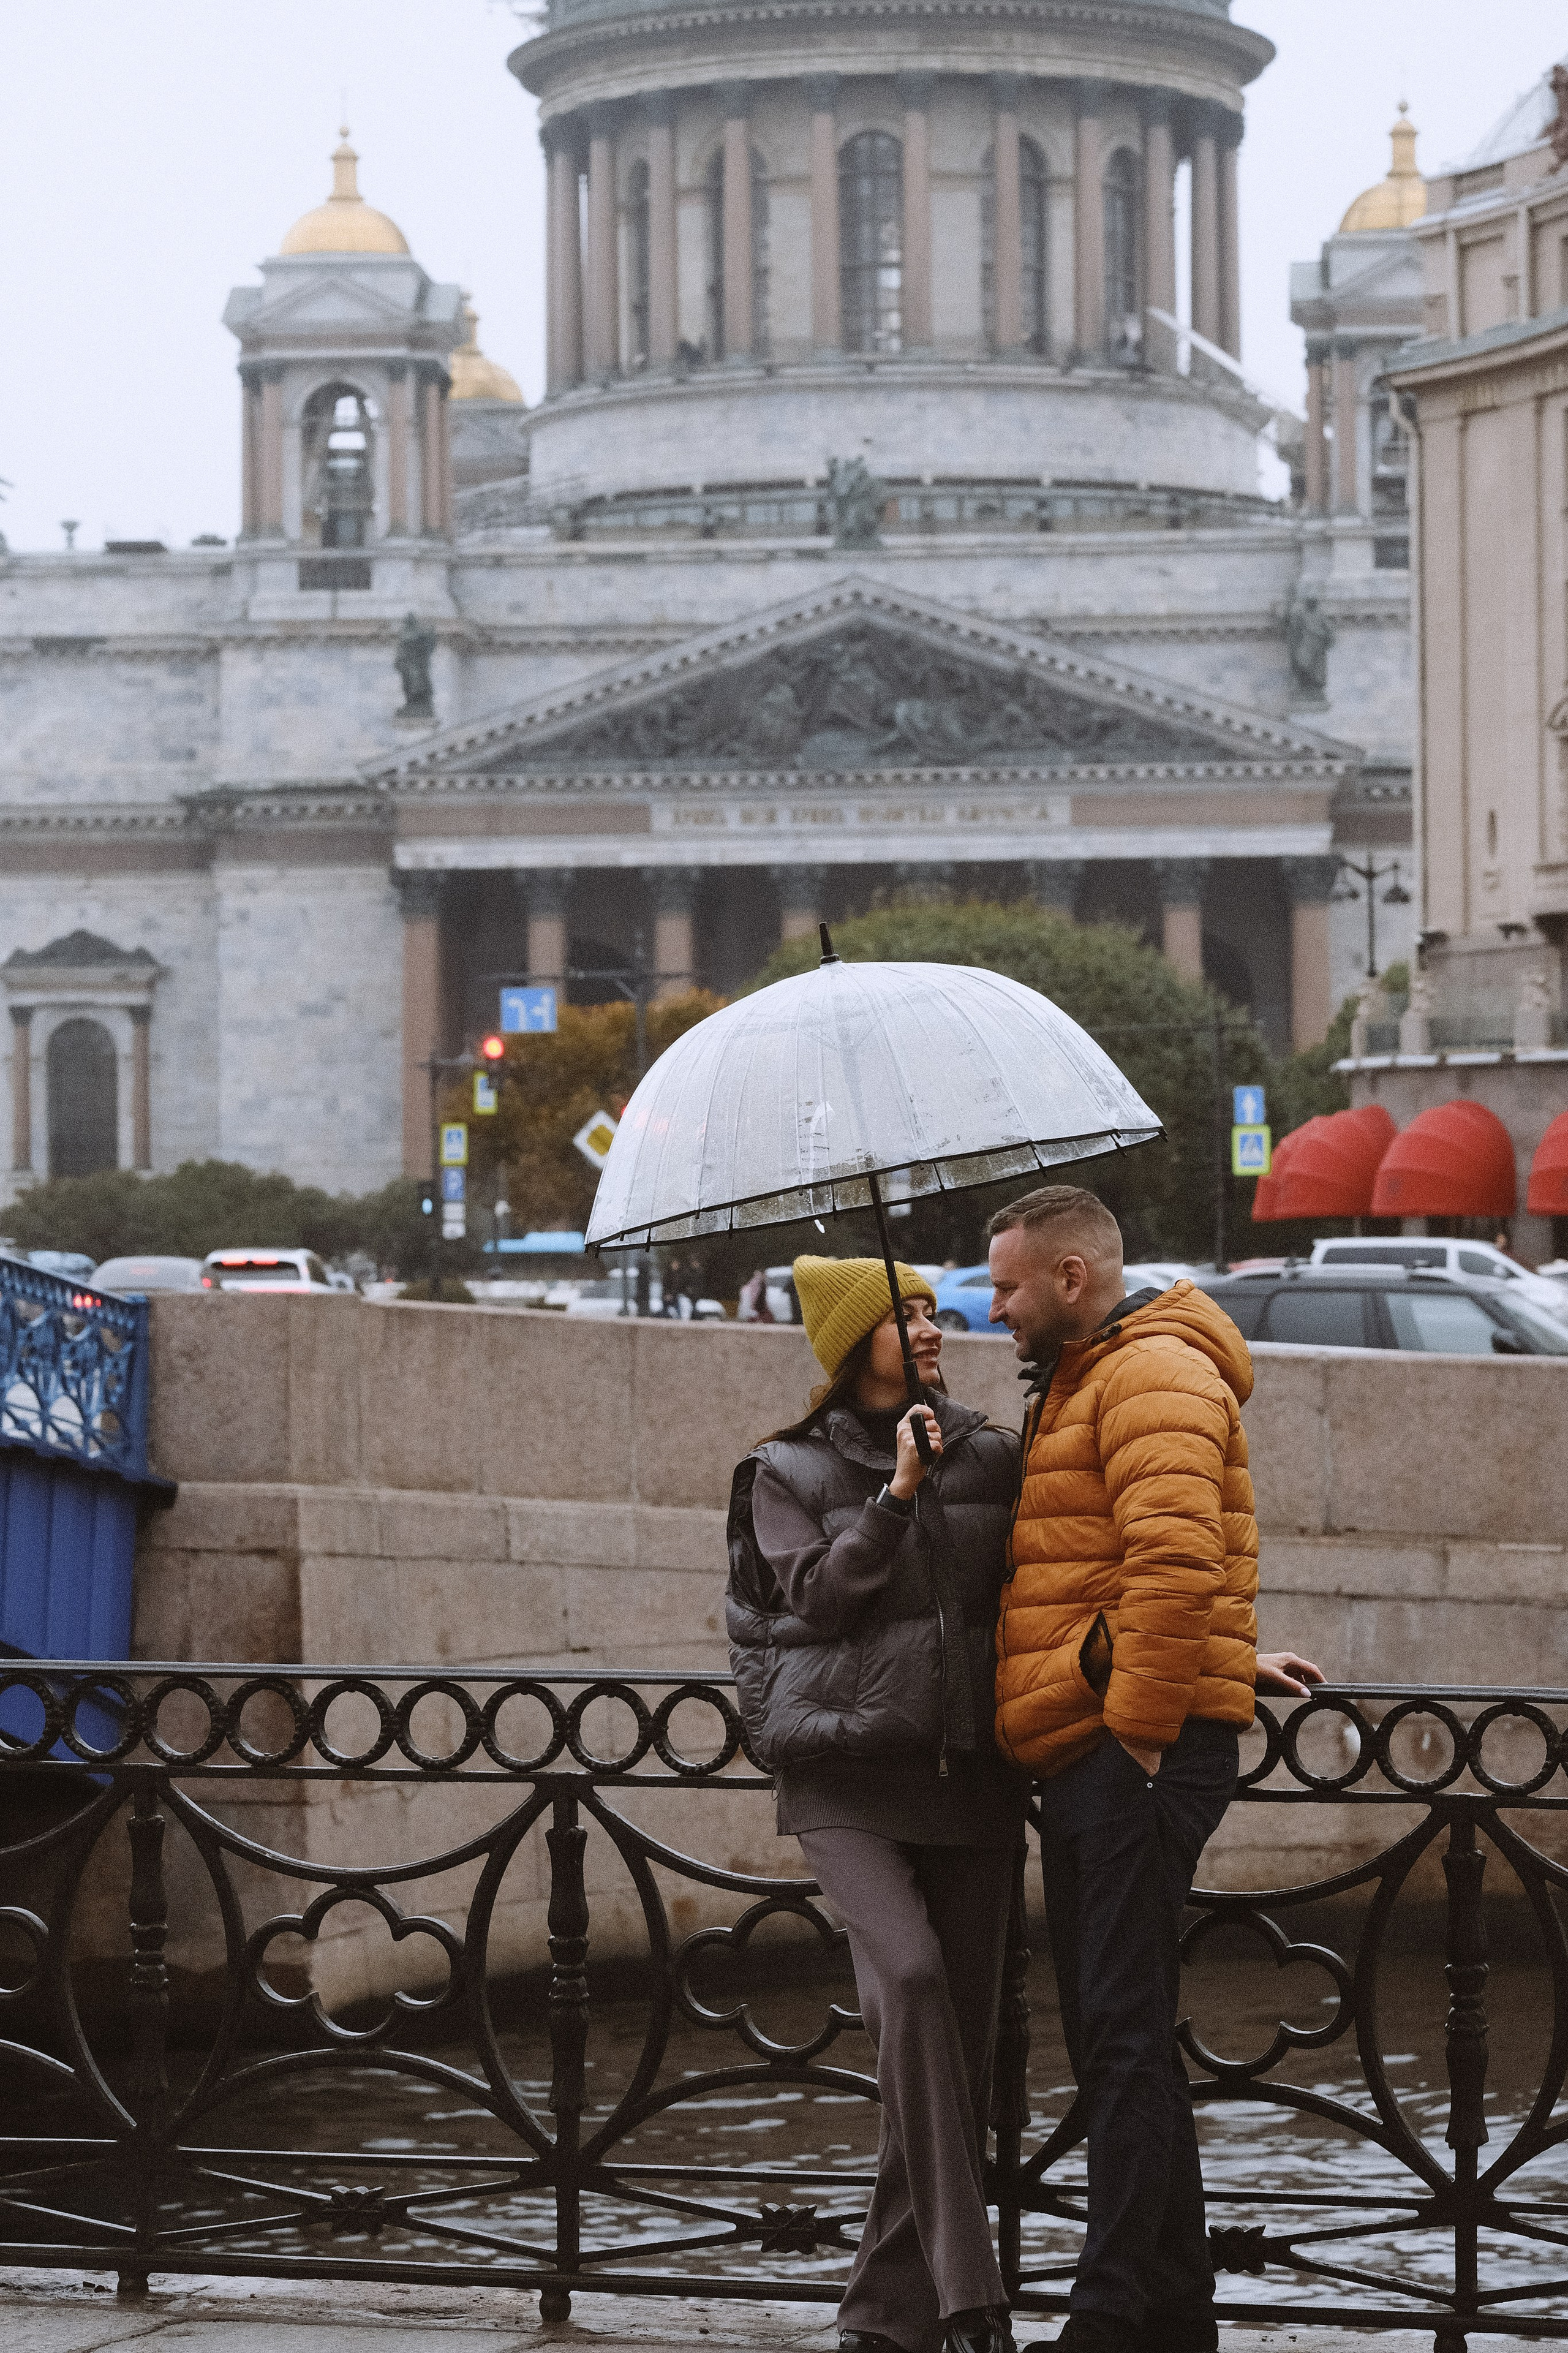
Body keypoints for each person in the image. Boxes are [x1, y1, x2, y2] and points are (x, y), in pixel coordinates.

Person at [984, 1187, 1322, 2353]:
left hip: (1128, 1753)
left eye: (1010, 1286)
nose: (997, 1309)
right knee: (1113, 2029)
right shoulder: (1102, 1373)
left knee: (1120, 2033)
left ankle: (1110, 2319)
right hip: (1108, 1744)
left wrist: (1134, 1729)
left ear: (1072, 1277)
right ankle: (1174, 2309)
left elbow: (1173, 1563)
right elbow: (1140, 1561)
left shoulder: (1151, 1373)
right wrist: (1221, 1655)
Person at [727, 1255, 1025, 2353]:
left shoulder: (991, 1449)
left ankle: (877, 2321)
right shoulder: (784, 1470)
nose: (931, 1322)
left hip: (972, 1780)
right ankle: (971, 2301)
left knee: (948, 2055)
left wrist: (1225, 1657)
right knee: (910, 1976)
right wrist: (897, 1496)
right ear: (856, 1339)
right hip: (844, 1781)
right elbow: (817, 1600)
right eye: (903, 1311)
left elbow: (1070, 1579)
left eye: (928, 1305)